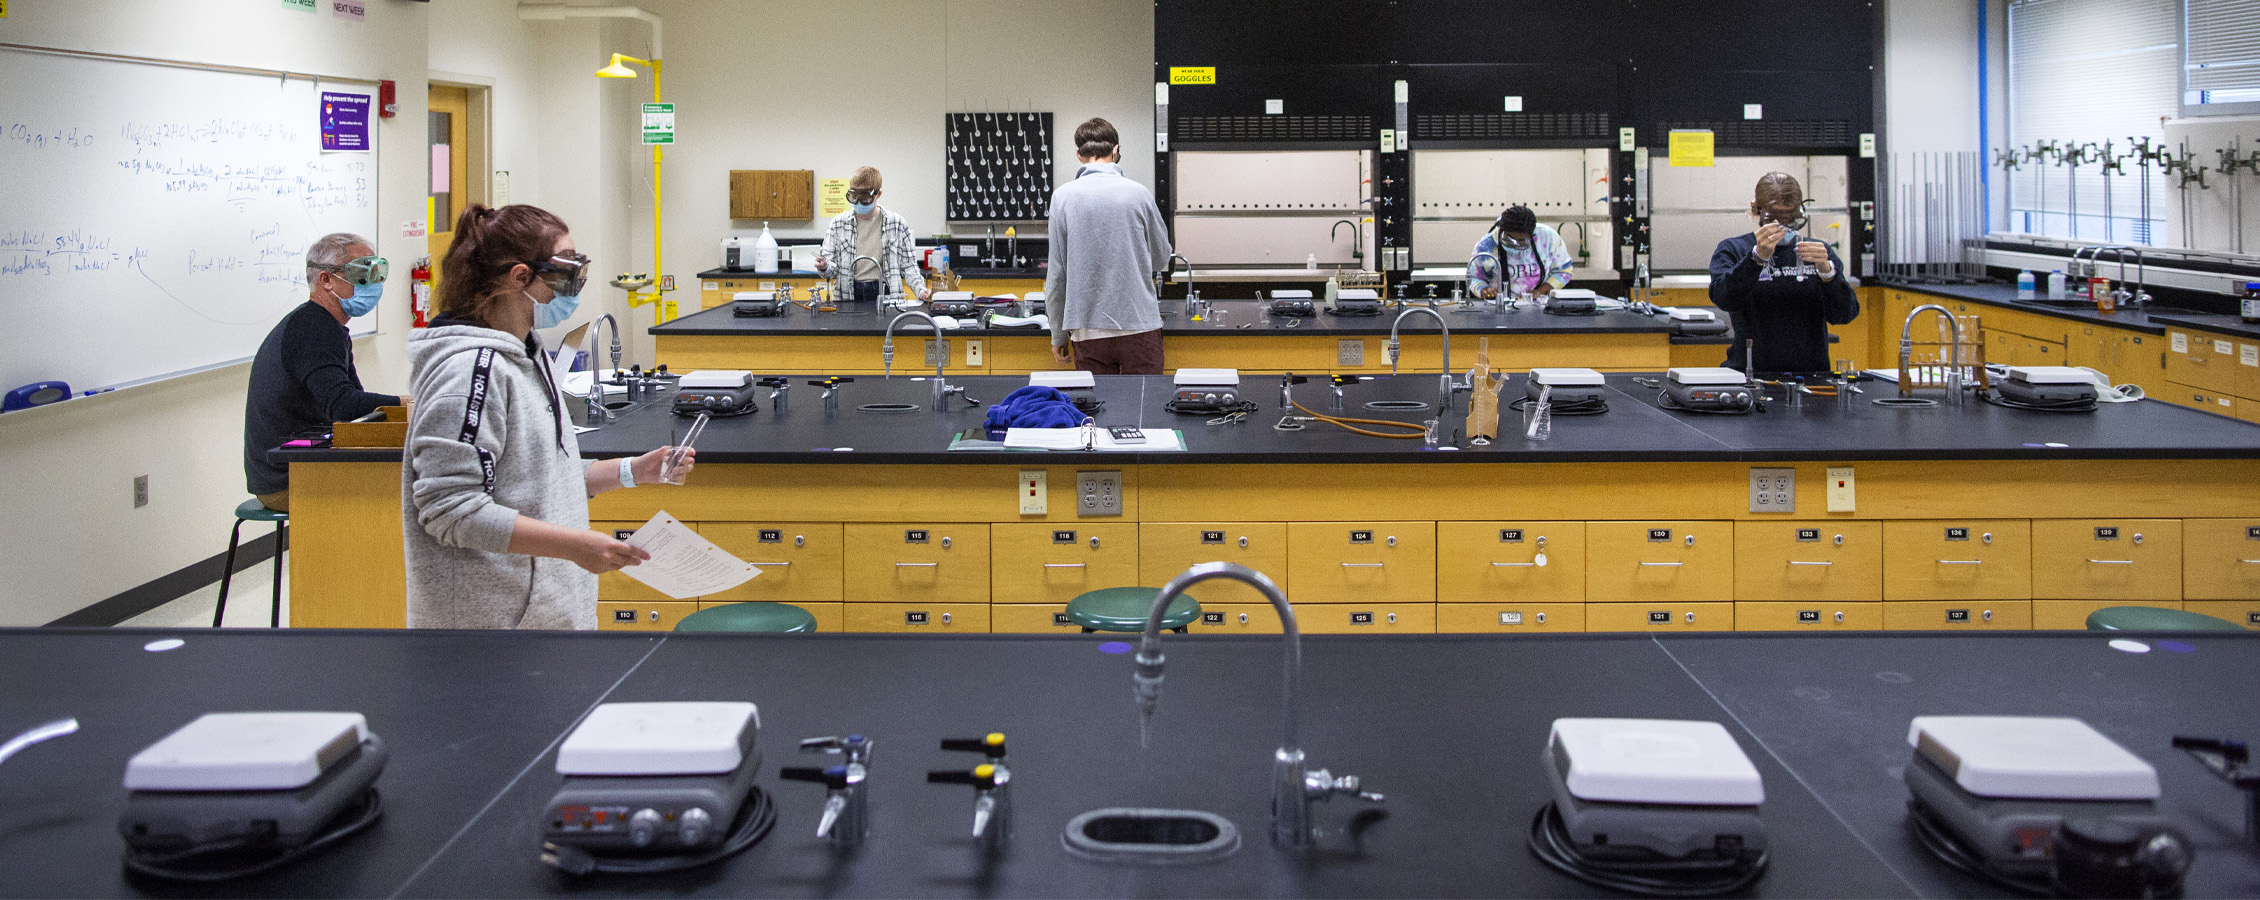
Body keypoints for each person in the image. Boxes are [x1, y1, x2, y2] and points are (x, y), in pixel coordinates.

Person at [400, 204, 693, 630]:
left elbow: (540, 477)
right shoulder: (469, 372)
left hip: (545, 619)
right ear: (521, 277)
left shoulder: (528, 354)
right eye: (567, 272)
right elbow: (451, 510)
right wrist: (574, 546)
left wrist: (632, 471)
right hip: (490, 632)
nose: (576, 287)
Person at [242, 233, 404, 512]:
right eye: (362, 274)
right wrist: (404, 403)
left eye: (377, 273)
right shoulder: (313, 330)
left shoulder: (325, 326)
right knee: (398, 493)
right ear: (326, 280)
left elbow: (353, 402)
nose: (374, 284)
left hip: (296, 465)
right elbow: (344, 406)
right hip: (287, 479)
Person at [1044, 117, 1173, 375]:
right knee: (1144, 410)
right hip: (1140, 328)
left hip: (1088, 332)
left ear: (1079, 155)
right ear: (1115, 151)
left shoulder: (1062, 197)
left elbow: (1057, 276)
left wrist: (1058, 335)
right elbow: (1162, 259)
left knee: (1098, 412)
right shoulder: (1139, 194)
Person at [1708, 172, 1859, 373]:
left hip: (1811, 375)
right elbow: (1724, 299)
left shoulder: (1818, 252)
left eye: (1791, 218)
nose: (1784, 226)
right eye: (1775, 218)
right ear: (1757, 211)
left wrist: (1828, 274)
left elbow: (1844, 314)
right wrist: (1755, 259)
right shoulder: (1734, 249)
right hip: (1750, 372)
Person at [813, 166, 930, 305]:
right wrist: (824, 267)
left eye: (865, 197)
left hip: (885, 292)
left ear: (878, 194)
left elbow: (909, 267)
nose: (858, 202)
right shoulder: (838, 224)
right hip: (849, 294)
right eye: (854, 196)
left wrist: (921, 290)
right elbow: (831, 268)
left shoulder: (897, 224)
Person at [1466, 206, 1574, 302]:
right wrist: (1483, 290)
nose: (1517, 246)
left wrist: (1539, 292)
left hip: (1539, 306)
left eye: (1522, 241)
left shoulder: (1548, 238)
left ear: (1532, 233)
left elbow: (1564, 271)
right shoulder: (1486, 247)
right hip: (1501, 307)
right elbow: (1474, 278)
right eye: (1511, 241)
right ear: (1503, 231)